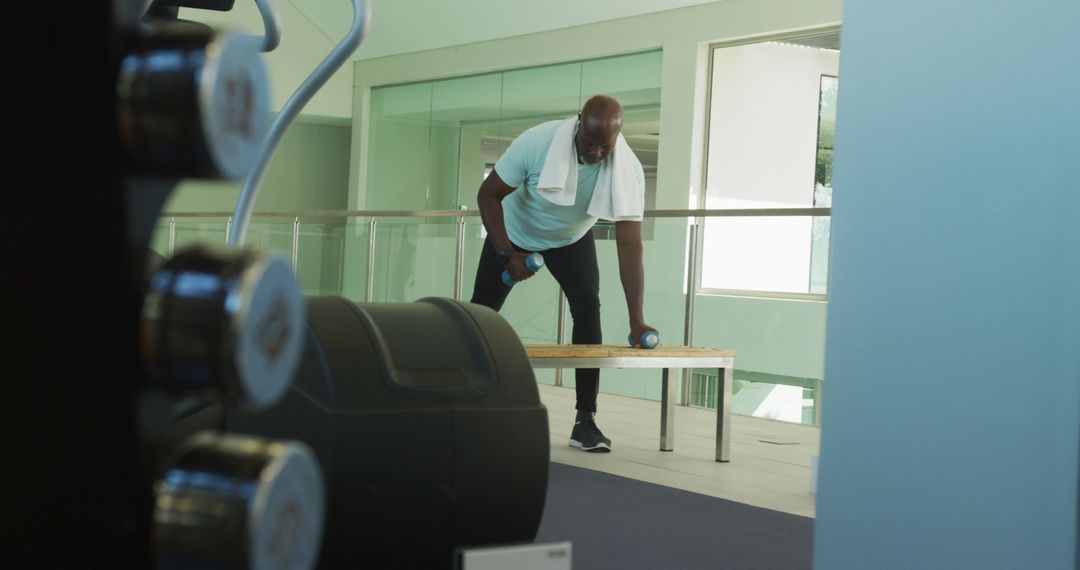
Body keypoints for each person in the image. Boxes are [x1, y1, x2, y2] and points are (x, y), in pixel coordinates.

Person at [470, 94, 656, 453]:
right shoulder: (536, 142)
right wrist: (507, 252)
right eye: (589, 143)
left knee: (588, 309)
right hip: (514, 231)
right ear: (578, 124)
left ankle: (585, 422)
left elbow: (630, 247)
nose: (597, 153)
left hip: (570, 238)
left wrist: (637, 321)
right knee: (479, 317)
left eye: (606, 147)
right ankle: (464, 406)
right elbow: (488, 194)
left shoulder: (627, 169)